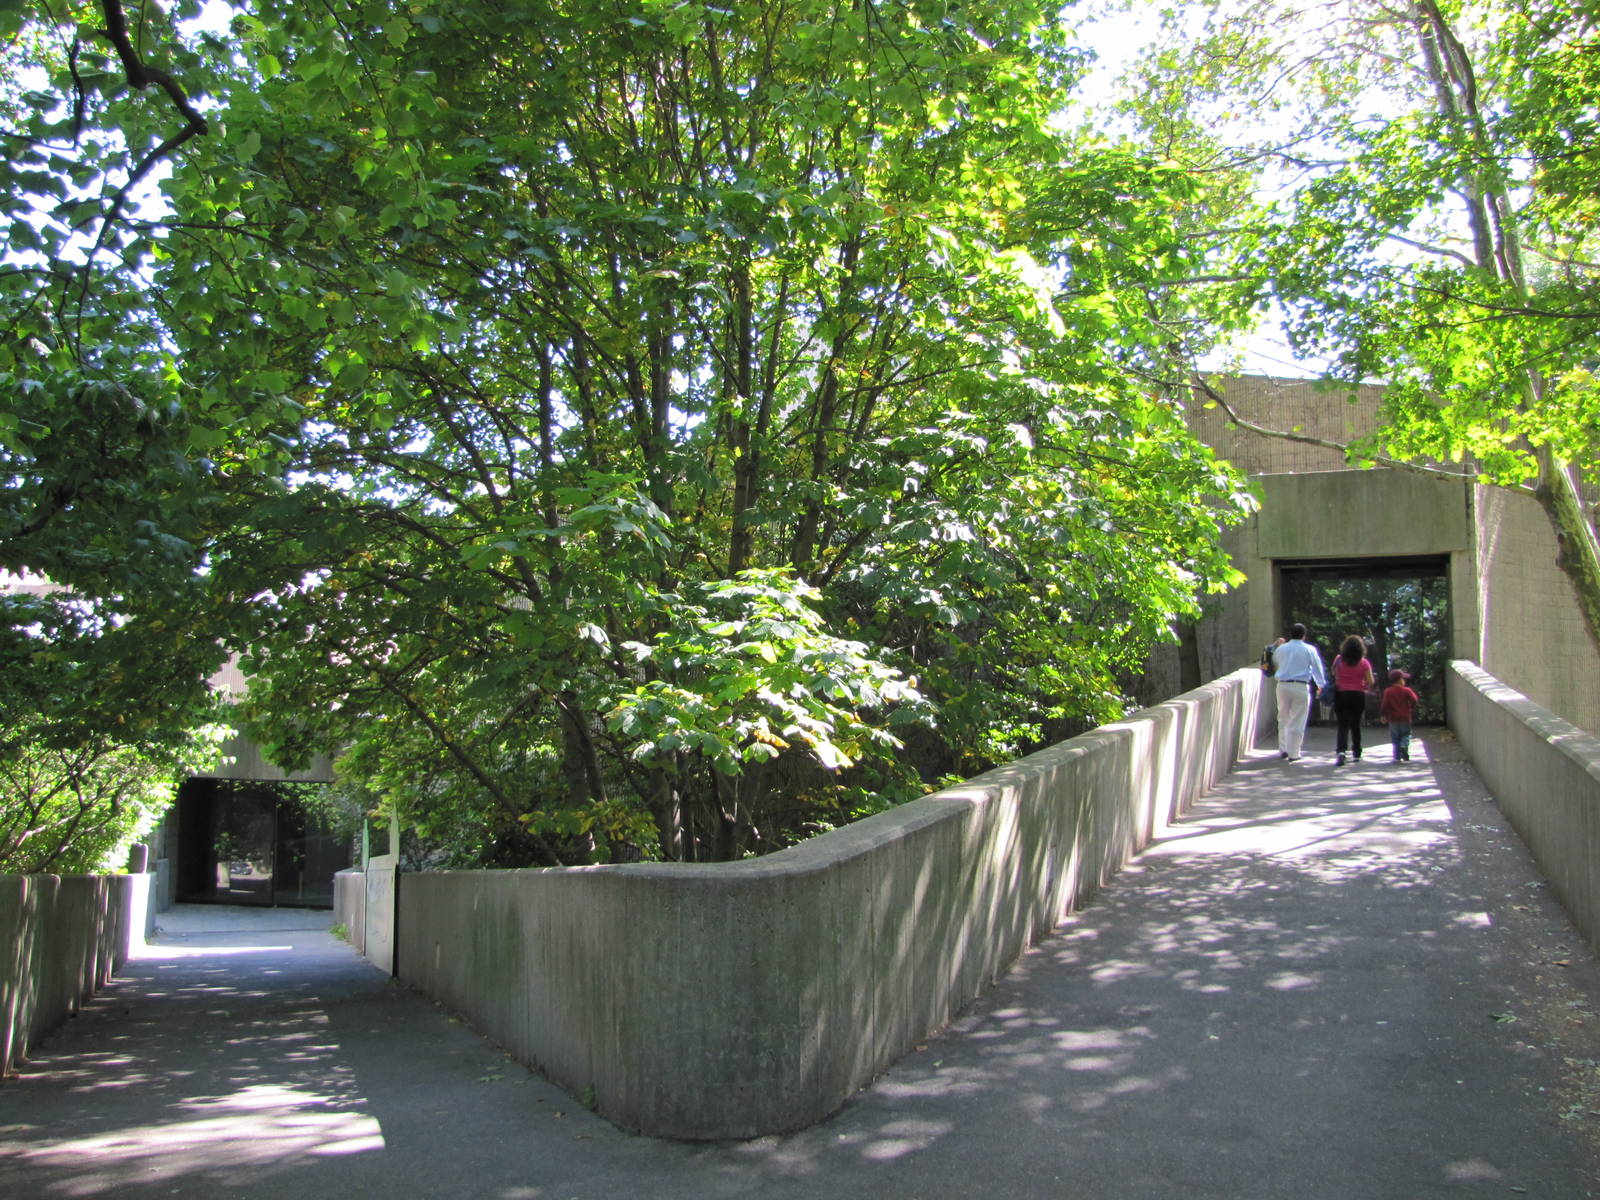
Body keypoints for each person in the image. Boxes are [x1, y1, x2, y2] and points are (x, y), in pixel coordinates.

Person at [1271, 624, 1326, 761]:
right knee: (1298, 719)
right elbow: (1317, 669)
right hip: (1301, 686)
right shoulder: (1309, 649)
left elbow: (1275, 662)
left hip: (1282, 685)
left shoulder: (1281, 649)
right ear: (1304, 635)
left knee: (1283, 717)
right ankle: (1293, 752)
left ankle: (1282, 749)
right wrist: (1321, 685)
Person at [1331, 634, 1376, 766]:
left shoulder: (1339, 660)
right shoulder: (1364, 662)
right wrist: (1364, 686)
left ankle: (1341, 752)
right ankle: (1356, 752)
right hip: (1358, 695)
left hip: (1341, 694)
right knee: (1356, 724)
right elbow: (1370, 681)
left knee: (1342, 725)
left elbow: (1334, 674)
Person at [1379, 668, 1419, 762]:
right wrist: (1411, 708)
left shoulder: (1388, 692)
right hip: (1405, 717)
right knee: (1406, 734)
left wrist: (1383, 715)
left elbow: (1385, 704)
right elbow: (1414, 700)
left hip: (1393, 719)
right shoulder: (1407, 690)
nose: (1404, 681)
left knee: (1395, 737)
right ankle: (1404, 746)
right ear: (1400, 680)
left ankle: (1397, 756)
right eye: (1403, 679)